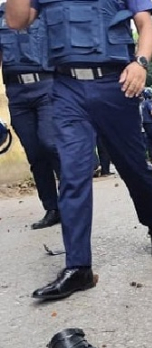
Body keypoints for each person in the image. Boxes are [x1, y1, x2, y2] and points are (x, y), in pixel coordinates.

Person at [6, 0, 152, 300]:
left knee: (133, 167)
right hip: (65, 88)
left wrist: (141, 63)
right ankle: (78, 266)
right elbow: (17, 21)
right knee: (73, 172)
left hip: (116, 84)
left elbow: (145, 24)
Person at [0, 2, 61, 229]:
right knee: (35, 154)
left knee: (50, 143)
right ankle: (52, 208)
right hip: (16, 94)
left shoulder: (45, 10)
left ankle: (71, 201)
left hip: (47, 87)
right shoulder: (1, 15)